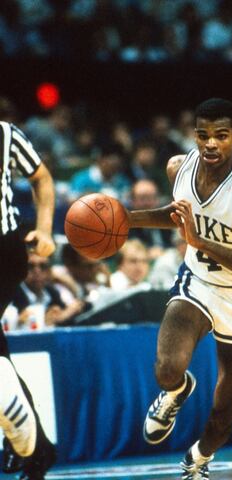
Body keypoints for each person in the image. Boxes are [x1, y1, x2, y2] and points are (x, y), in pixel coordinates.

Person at [125, 98, 232, 478]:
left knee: (225, 410)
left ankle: (199, 459)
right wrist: (124, 219)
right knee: (166, 368)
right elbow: (174, 213)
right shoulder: (179, 167)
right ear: (194, 136)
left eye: (221, 136)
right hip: (197, 282)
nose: (211, 144)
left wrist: (201, 240)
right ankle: (176, 391)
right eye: (204, 136)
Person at [0, 121, 57, 478]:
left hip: (4, 251)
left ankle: (27, 443)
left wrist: (47, 229)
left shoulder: (5, 134)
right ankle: (37, 448)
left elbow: (43, 179)